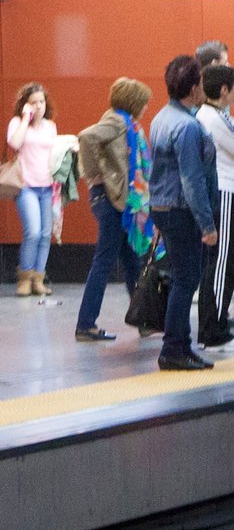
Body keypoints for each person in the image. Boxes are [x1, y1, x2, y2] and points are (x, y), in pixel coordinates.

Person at [148, 55, 218, 370]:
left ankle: (181, 345)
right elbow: (192, 179)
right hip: (182, 211)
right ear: (193, 87)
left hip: (162, 207)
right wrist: (207, 224)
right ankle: (173, 348)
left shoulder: (161, 118)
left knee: (182, 277)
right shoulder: (188, 126)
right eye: (201, 82)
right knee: (186, 280)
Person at [74, 78, 152, 341]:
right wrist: (98, 176)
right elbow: (86, 137)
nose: (146, 108)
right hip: (111, 200)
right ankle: (85, 324)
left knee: (132, 262)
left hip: (120, 201)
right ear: (133, 103)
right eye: (143, 103)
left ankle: (143, 319)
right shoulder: (118, 122)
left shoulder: (126, 123)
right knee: (105, 261)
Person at [196, 63, 234, 354]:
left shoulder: (220, 115)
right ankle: (214, 332)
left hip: (229, 190)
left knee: (224, 263)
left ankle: (216, 326)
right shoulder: (211, 118)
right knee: (221, 264)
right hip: (224, 192)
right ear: (223, 89)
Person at [7, 83, 66, 299]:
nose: (39, 106)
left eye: (41, 102)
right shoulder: (17, 123)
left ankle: (38, 278)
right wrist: (25, 119)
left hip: (47, 186)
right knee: (32, 231)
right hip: (26, 186)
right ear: (25, 105)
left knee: (44, 234)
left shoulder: (50, 126)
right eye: (33, 102)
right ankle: (24, 278)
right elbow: (14, 143)